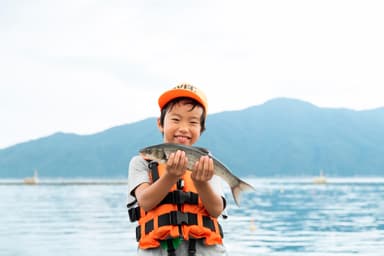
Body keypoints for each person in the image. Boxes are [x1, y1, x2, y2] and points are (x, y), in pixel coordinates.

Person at [127, 83, 228, 255]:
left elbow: (216, 210)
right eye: (175, 119)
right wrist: (170, 177)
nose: (183, 127)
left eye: (193, 122)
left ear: (201, 129)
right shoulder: (141, 162)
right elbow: (145, 201)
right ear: (160, 123)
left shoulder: (206, 162)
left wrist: (200, 183)